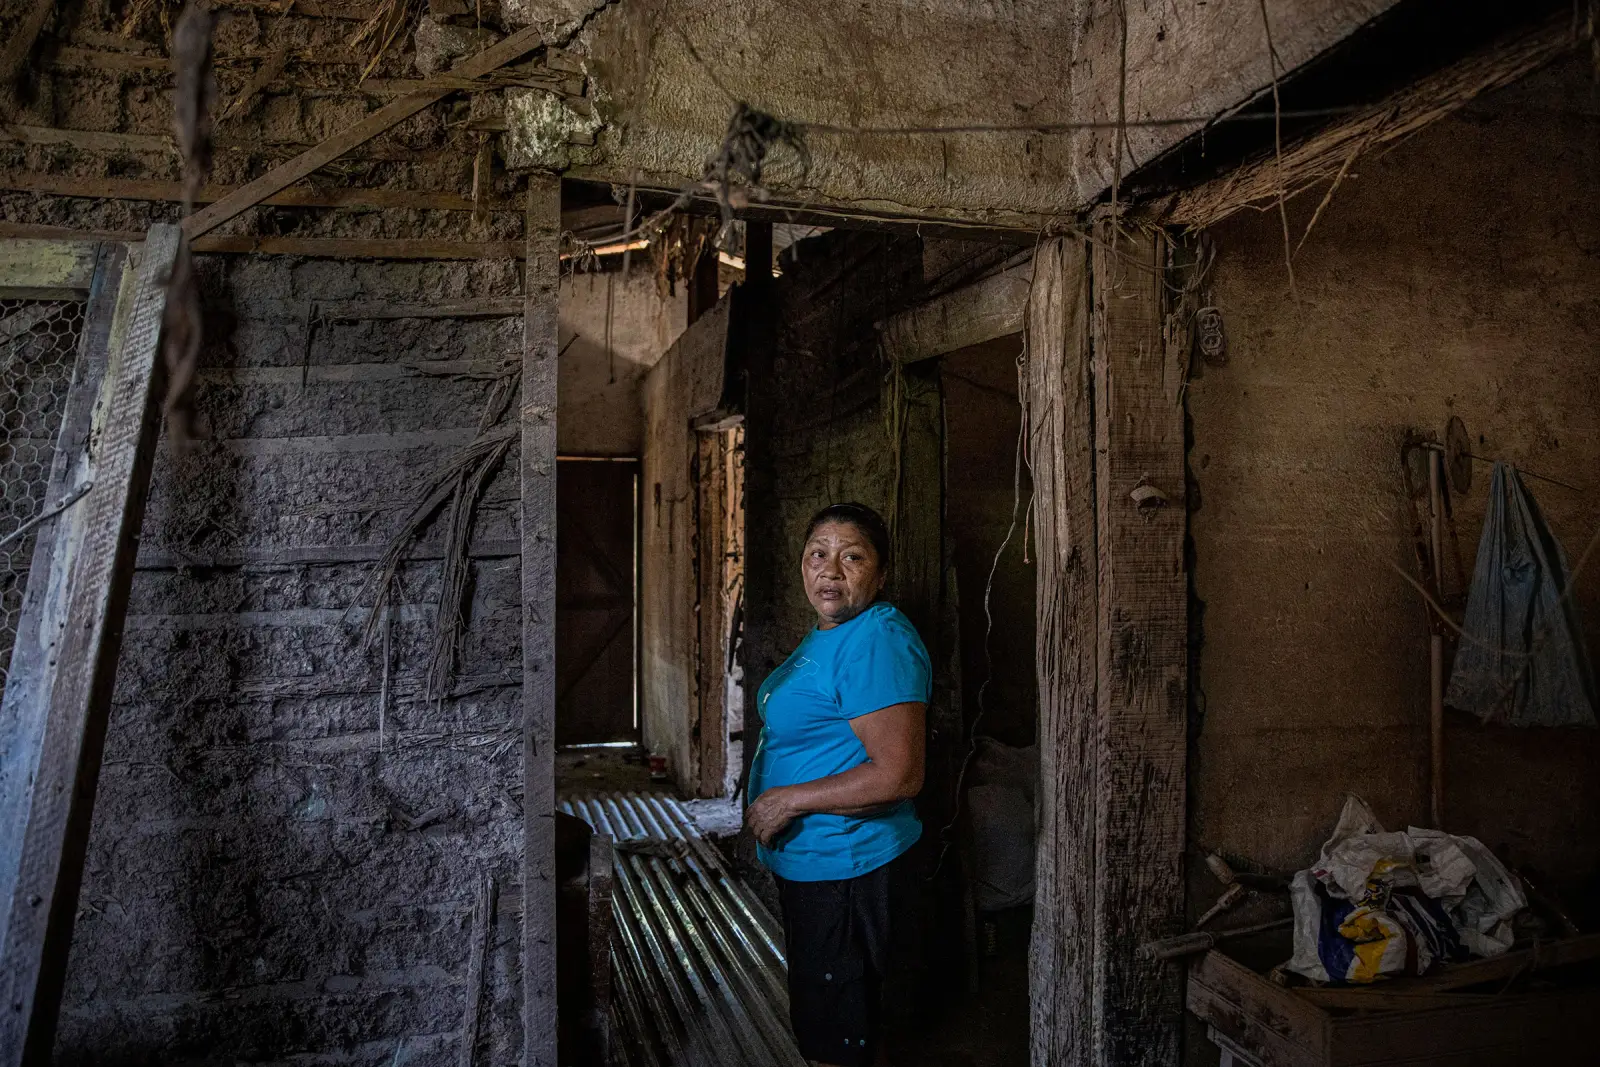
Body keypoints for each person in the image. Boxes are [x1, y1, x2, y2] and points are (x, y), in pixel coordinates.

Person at [744, 502, 929, 1067]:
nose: (831, 570)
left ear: (881, 572)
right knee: (827, 1019)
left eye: (852, 557)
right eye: (818, 555)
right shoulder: (827, 634)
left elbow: (899, 774)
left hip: (847, 867)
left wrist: (787, 799)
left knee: (839, 1040)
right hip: (817, 865)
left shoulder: (876, 638)